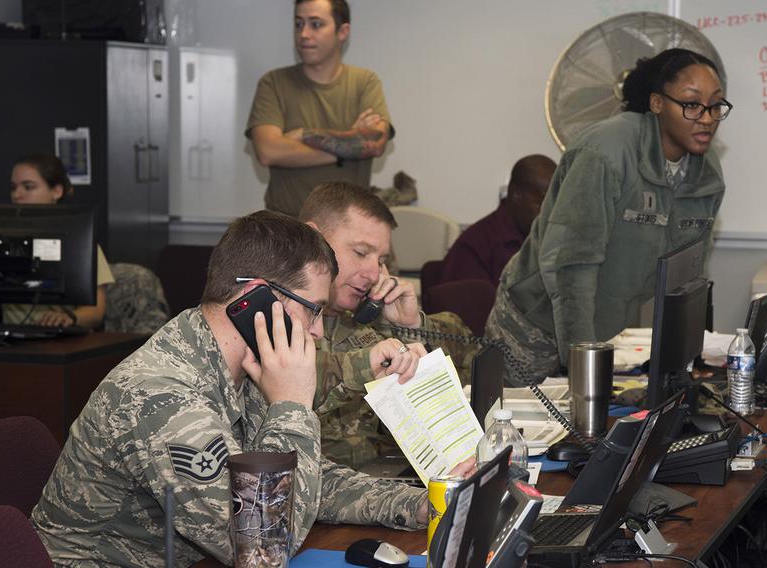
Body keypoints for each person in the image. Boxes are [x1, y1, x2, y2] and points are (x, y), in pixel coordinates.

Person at [32, 211, 472, 567]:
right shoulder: (160, 394)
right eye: (313, 310)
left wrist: (421, 506)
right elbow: (263, 548)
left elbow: (310, 480)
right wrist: (291, 404)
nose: (318, 331)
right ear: (258, 299)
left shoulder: (239, 362)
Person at [486, 48, 731, 386]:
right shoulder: (606, 152)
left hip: (600, 330)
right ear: (657, 103)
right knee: (518, 429)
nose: (707, 118)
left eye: (716, 105)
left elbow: (684, 277)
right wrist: (585, 365)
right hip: (533, 324)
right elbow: (571, 266)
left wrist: (682, 365)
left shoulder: (706, 175)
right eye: (692, 104)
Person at [299, 182, 479, 469]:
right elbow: (300, 379)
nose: (373, 273)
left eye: (381, 259)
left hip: (380, 481)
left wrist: (411, 326)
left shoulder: (365, 315)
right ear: (313, 239)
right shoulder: (277, 314)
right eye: (360, 252)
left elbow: (473, 361)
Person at [246, 0, 392, 216]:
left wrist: (302, 135)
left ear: (342, 32)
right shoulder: (274, 83)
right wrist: (347, 149)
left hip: (348, 229)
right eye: (298, 24)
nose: (303, 34)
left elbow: (374, 143)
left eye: (316, 24)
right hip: (288, 230)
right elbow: (268, 151)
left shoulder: (365, 83)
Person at [6, 154, 114, 330]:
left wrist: (68, 318)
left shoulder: (82, 245)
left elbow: (95, 312)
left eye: (28, 187)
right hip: (10, 344)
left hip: (62, 341)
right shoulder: (4, 240)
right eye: (13, 187)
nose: (17, 195)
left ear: (56, 191)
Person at [439, 154, 556, 288]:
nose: (551, 213)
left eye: (556, 203)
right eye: (543, 203)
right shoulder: (474, 246)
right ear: (516, 195)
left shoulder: (551, 241)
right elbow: (464, 306)